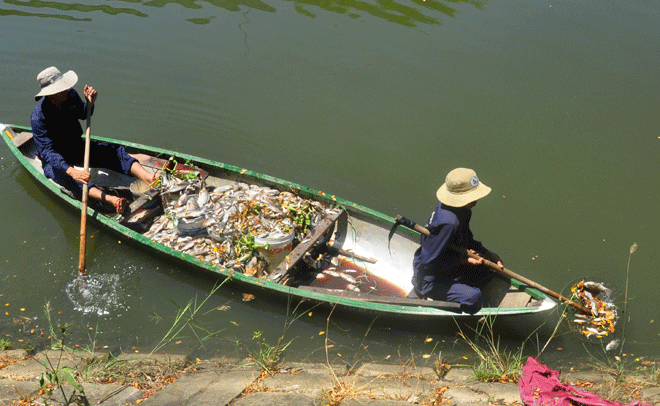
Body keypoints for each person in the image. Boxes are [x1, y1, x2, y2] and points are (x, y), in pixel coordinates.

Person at [30, 66, 157, 213]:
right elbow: (46, 151)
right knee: (73, 181)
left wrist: (90, 102)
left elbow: (83, 114)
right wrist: (71, 171)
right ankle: (112, 200)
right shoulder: (38, 118)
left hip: (76, 147)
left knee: (114, 152)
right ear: (50, 94)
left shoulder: (69, 94)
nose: (65, 90)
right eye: (60, 89)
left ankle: (148, 177)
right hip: (55, 159)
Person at [411, 167, 504, 314]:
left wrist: (486, 253)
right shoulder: (449, 224)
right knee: (474, 297)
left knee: (490, 267)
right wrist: (463, 260)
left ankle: (460, 288)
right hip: (429, 280)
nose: (476, 200)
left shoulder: (463, 211)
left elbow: (467, 238)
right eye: (473, 196)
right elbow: (427, 262)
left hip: (448, 263)